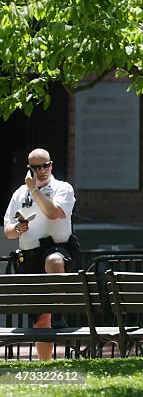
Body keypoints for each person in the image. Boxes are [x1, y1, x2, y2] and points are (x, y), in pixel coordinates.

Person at [3, 148, 76, 361]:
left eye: (46, 165)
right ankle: (45, 366)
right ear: (30, 169)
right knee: (41, 321)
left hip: (58, 249)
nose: (43, 170)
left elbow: (54, 213)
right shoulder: (19, 193)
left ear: (52, 165)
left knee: (53, 261)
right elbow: (8, 230)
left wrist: (35, 191)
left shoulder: (63, 188)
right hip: (30, 256)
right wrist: (18, 228)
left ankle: (59, 312)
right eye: (37, 167)